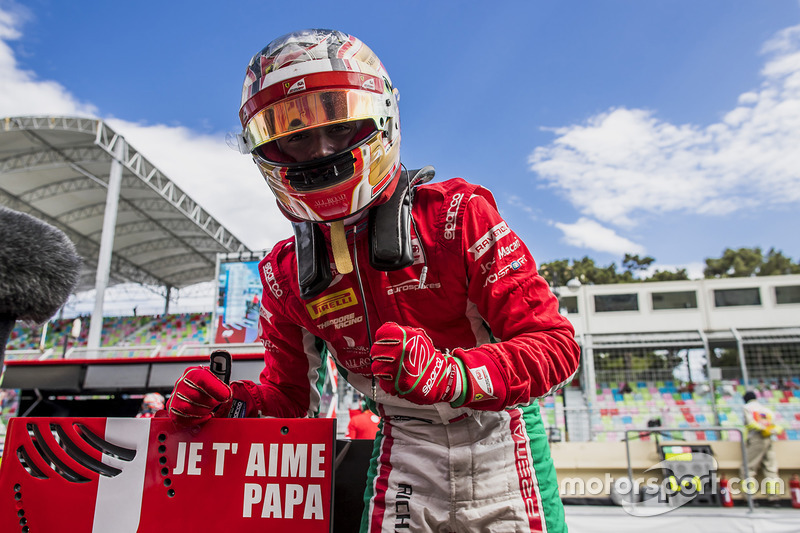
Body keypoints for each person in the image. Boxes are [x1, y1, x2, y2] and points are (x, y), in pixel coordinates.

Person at [167, 29, 580, 532]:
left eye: (338, 125)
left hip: (502, 439)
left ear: (379, 119)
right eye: (295, 133)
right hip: (403, 449)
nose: (319, 149)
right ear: (267, 146)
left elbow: (556, 346)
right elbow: (291, 405)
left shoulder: (458, 215)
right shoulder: (283, 275)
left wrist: (453, 374)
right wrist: (231, 402)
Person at [742, 390, 783, 506]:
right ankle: (774, 499)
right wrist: (770, 431)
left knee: (748, 468)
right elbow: (776, 425)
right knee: (770, 468)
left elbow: (750, 423)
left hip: (756, 438)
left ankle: (750, 498)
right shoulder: (766, 409)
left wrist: (762, 429)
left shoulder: (747, 408)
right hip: (769, 438)